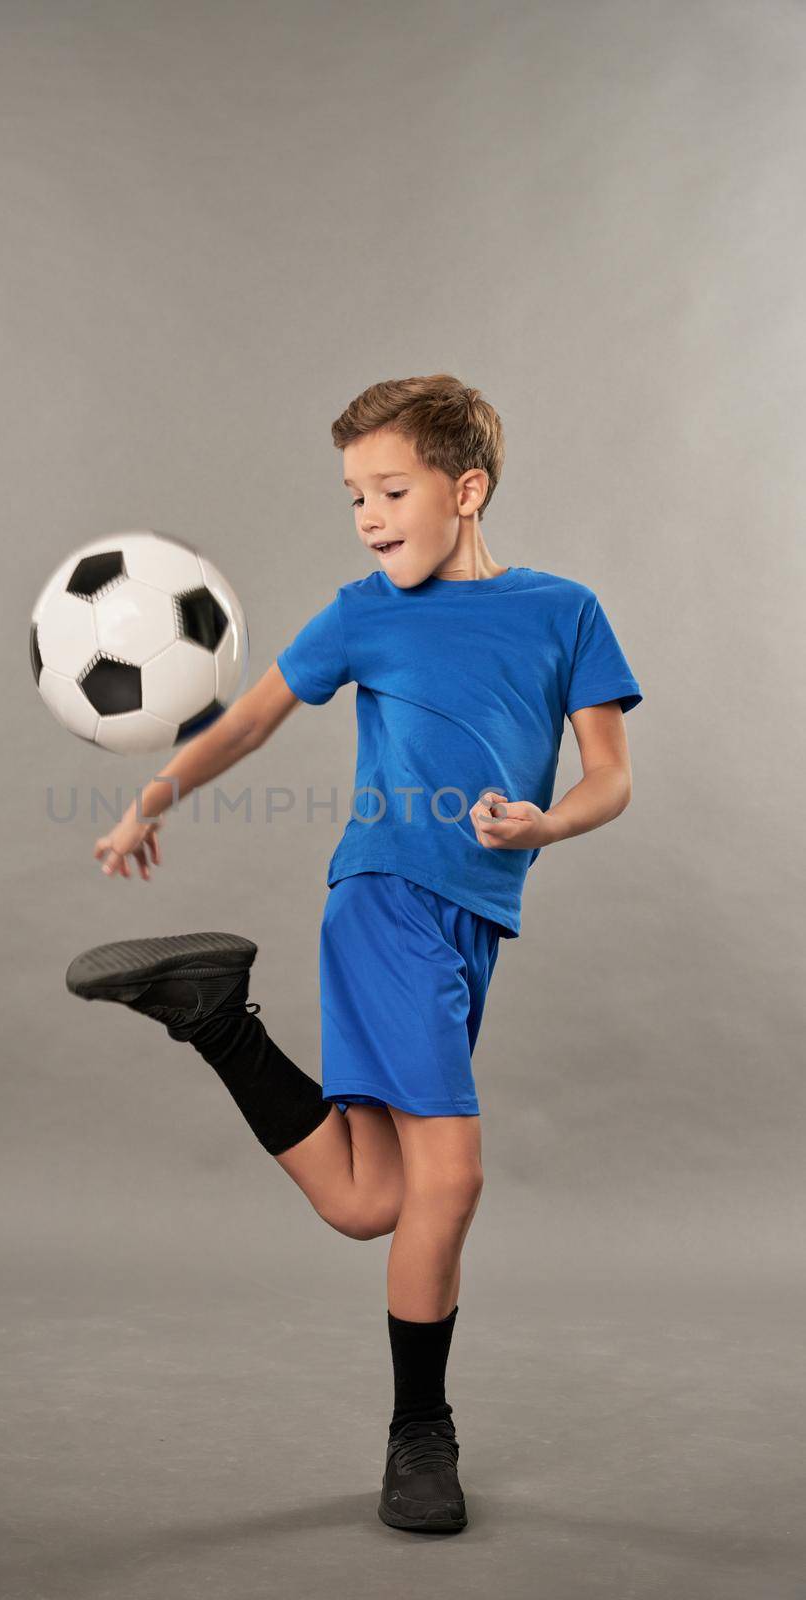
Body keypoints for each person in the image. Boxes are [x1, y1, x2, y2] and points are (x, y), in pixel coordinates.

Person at [66, 372, 642, 1534]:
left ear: (465, 489)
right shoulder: (361, 611)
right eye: (352, 498)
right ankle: (418, 1438)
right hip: (385, 900)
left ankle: (213, 1011)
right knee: (453, 1177)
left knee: (369, 1199)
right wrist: (153, 798)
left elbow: (609, 777)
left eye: (390, 489)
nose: (370, 516)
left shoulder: (563, 611)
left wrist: (543, 824)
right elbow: (254, 715)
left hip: (473, 920)